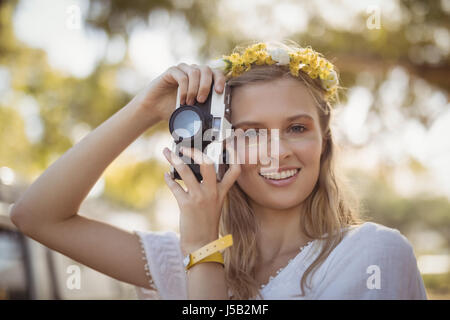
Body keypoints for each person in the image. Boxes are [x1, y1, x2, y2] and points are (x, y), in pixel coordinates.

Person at [9, 40, 427, 300]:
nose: (276, 152)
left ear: (325, 141)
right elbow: (35, 215)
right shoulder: (183, 256)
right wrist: (145, 110)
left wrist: (203, 249)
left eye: (296, 128)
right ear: (224, 147)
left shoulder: (374, 256)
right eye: (250, 133)